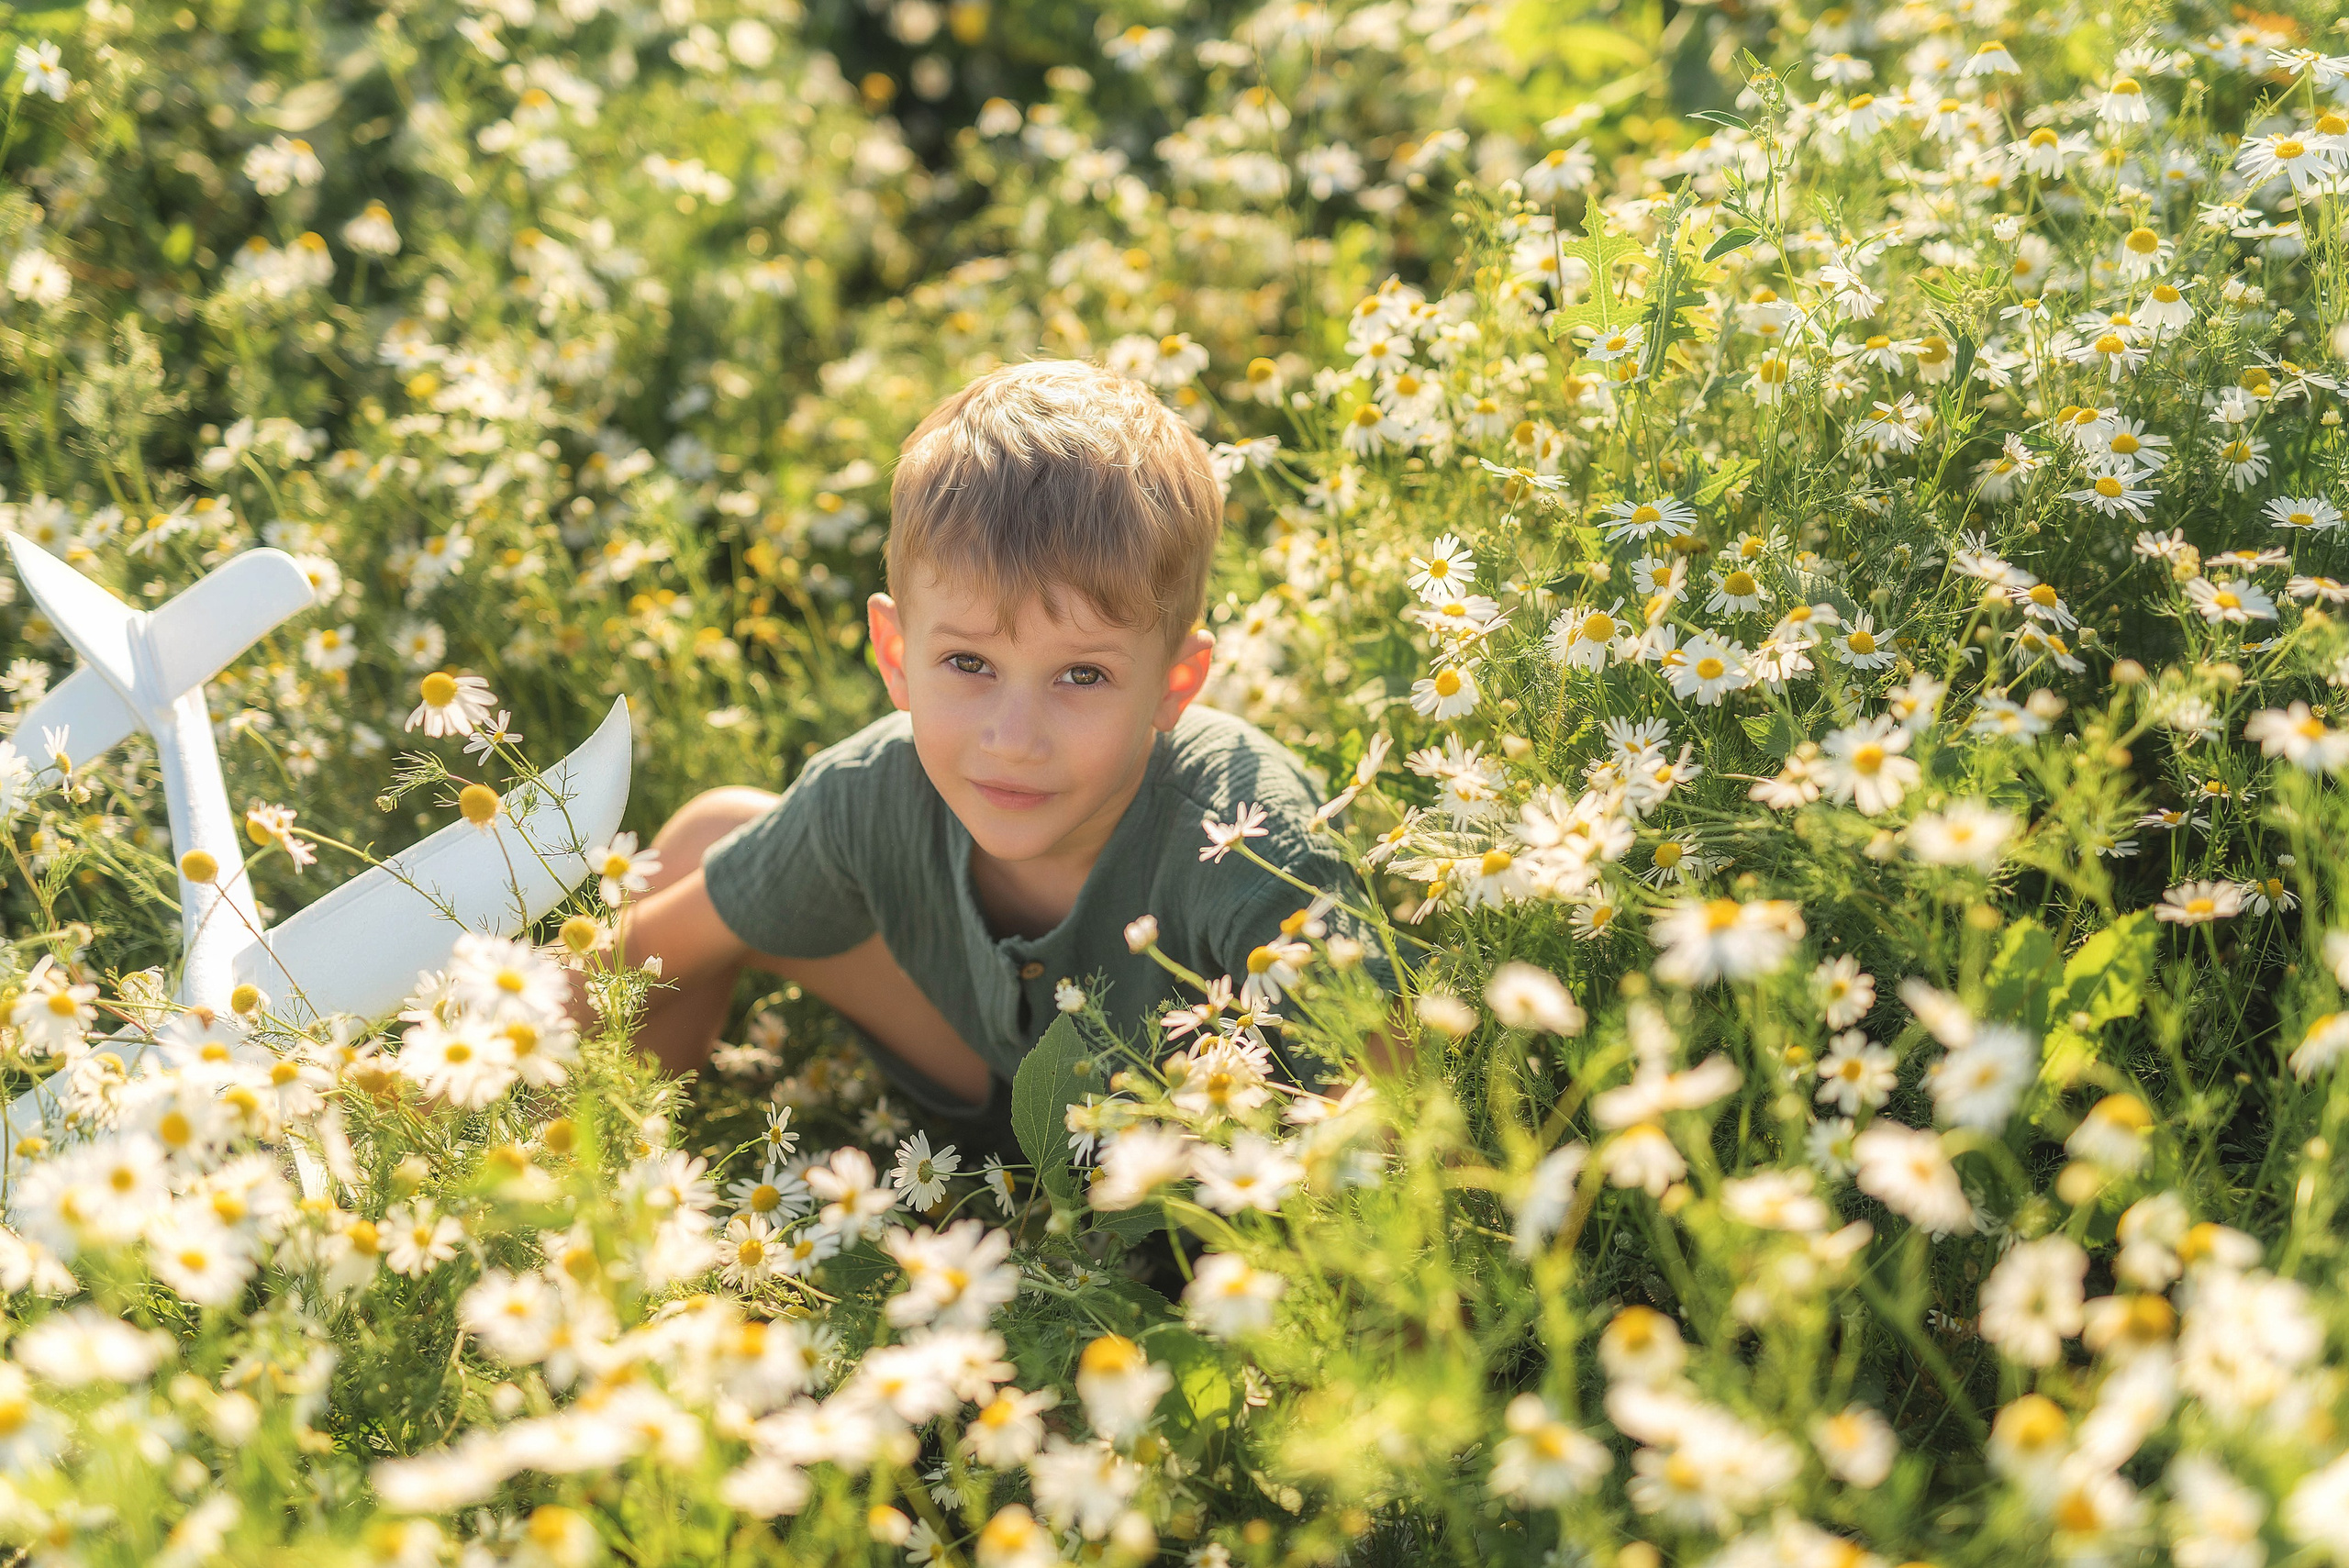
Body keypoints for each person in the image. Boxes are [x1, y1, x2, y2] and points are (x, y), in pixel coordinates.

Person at [587, 358, 1395, 1140]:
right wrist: (478, 1024)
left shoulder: (1250, 842)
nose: (1012, 740)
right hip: (986, 1067)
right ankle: (621, 1178)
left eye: (1082, 674)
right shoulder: (866, 792)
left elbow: (1403, 1139)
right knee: (710, 838)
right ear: (897, 655)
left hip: (1189, 1160)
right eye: (969, 663)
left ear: (1176, 683)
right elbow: (608, 975)